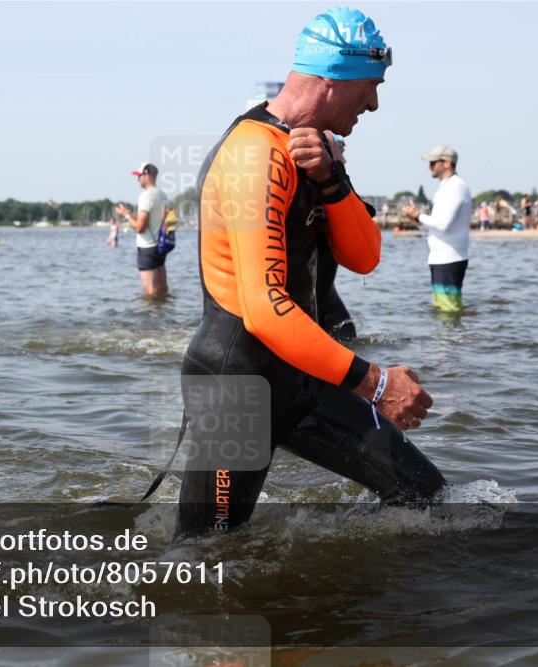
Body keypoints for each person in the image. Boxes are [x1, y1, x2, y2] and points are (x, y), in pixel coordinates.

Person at [174, 6, 443, 539]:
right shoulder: (257, 154)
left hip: (301, 379)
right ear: (331, 80)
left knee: (425, 496)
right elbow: (267, 310)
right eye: (370, 85)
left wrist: (331, 177)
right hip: (240, 388)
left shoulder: (312, 150)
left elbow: (365, 257)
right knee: (206, 551)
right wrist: (376, 382)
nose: (374, 102)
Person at [402, 145, 472, 312]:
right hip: (440, 258)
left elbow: (443, 224)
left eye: (433, 163)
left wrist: (418, 215)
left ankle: (453, 338)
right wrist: (415, 220)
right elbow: (436, 225)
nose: (429, 167)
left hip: (450, 258)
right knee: (443, 310)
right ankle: (446, 339)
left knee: (449, 311)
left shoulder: (456, 186)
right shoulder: (446, 186)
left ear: (447, 163)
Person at [116, 163, 168, 297]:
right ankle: (164, 314)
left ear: (147, 175)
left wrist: (127, 216)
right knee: (162, 289)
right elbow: (151, 221)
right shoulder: (162, 195)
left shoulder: (146, 196)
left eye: (139, 176)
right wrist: (128, 213)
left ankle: (150, 317)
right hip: (160, 247)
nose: (137, 179)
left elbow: (140, 227)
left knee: (150, 292)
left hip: (147, 248)